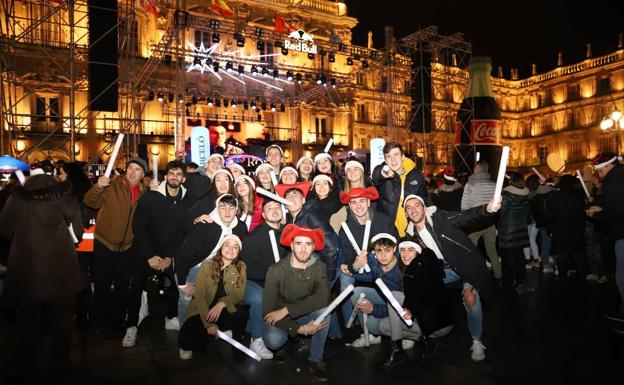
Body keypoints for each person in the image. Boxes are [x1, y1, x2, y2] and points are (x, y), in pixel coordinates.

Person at [0, 174, 84, 378]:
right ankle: (61, 363)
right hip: (60, 270)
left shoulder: (16, 199)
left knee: (29, 321)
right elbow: (79, 232)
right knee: (61, 322)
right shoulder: (65, 197)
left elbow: (4, 231)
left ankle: (28, 364)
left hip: (27, 270)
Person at [403, 194, 501, 362]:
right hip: (443, 271)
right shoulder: (412, 237)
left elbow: (466, 216)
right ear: (406, 214)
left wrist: (487, 209)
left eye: (417, 205)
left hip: (465, 266)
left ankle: (476, 341)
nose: (413, 210)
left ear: (424, 207)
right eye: (409, 208)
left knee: (470, 298)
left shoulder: (442, 218)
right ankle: (414, 332)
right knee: (419, 287)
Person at [83, 157, 148, 345]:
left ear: (143, 175)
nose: (132, 172)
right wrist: (98, 186)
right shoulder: (112, 185)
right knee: (102, 285)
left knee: (122, 286)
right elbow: (90, 202)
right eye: (130, 168)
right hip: (105, 242)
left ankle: (117, 321)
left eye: (137, 169)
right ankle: (98, 320)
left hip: (127, 247)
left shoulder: (145, 193)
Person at [131, 161, 196, 338]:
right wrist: (150, 255)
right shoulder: (150, 197)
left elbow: (184, 232)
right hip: (147, 252)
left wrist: (169, 257)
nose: (175, 177)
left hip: (171, 254)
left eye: (179, 174)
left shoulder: (188, 200)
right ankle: (131, 325)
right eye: (171, 173)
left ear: (183, 178)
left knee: (176, 286)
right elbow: (139, 227)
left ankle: (172, 318)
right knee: (136, 286)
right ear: (166, 176)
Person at [262, 224, 330, 381]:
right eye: (299, 243)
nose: (303, 249)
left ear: (313, 248)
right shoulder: (276, 270)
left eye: (308, 244)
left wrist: (287, 310)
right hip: (279, 318)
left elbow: (323, 297)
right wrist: (300, 329)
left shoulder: (319, 267)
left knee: (325, 312)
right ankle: (285, 342)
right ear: (291, 246)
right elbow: (267, 311)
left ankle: (315, 359)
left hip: (298, 312)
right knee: (273, 341)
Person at [175, 194, 248, 321]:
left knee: (220, 296)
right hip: (195, 266)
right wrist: (182, 283)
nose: (227, 211)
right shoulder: (206, 224)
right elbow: (184, 253)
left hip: (219, 267)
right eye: (223, 207)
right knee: (186, 296)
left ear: (236, 210)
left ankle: (219, 325)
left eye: (231, 207)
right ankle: (183, 326)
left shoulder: (240, 227)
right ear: (217, 208)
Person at [177, 235, 247, 360]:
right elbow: (199, 296)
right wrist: (208, 324)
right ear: (220, 248)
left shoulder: (241, 267)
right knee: (187, 342)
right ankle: (207, 333)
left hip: (224, 310)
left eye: (235, 247)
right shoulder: (207, 265)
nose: (231, 249)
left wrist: (221, 304)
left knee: (240, 313)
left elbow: (239, 294)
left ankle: (236, 342)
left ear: (238, 252)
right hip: (203, 310)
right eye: (227, 245)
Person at [338, 187, 397, 327]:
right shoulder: (345, 229)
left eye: (362, 201)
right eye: (354, 202)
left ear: (369, 202)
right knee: (346, 282)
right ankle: (361, 327)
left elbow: (396, 245)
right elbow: (348, 260)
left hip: (386, 267)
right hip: (362, 271)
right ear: (349, 206)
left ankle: (389, 319)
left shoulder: (384, 220)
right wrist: (355, 266)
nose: (358, 206)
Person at [379, 241, 453, 354]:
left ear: (418, 252)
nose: (405, 254)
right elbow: (416, 293)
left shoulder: (417, 268)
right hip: (436, 322)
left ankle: (398, 351)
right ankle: (427, 340)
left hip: (438, 323)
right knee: (384, 326)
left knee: (393, 298)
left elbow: (422, 293)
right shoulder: (415, 267)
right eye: (402, 250)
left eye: (410, 250)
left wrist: (410, 309)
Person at [347, 233, 407, 368]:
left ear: (395, 249)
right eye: (379, 251)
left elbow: (403, 306)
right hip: (384, 299)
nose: (383, 255)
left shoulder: (402, 269)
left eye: (388, 250)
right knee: (356, 292)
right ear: (374, 251)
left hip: (400, 309)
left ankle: (406, 337)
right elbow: (366, 277)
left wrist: (374, 310)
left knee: (377, 325)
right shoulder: (375, 261)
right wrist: (354, 268)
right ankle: (370, 335)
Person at [240, 199, 288, 359]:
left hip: (281, 294)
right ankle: (256, 339)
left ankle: (251, 322)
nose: (274, 210)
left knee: (277, 340)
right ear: (263, 213)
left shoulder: (288, 234)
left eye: (277, 207)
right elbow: (245, 271)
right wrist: (271, 274)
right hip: (254, 286)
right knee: (259, 298)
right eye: (269, 207)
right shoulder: (253, 238)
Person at [587, 152, 624, 319]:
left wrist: (596, 215)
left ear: (609, 166)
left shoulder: (614, 180)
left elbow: (616, 210)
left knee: (622, 276)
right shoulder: (619, 176)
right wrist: (600, 207)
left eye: (600, 170)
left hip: (621, 233)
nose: (598, 174)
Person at [371, 142, 428, 237]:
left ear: (403, 157)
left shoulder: (416, 175)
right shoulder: (383, 176)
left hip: (412, 232)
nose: (393, 160)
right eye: (388, 156)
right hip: (388, 231)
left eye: (396, 155)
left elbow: (425, 200)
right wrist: (382, 173)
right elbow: (376, 176)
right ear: (385, 160)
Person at [460, 161, 501, 280]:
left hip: (474, 223)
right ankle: (498, 275)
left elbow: (464, 206)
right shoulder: (494, 185)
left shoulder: (470, 185)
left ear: (476, 169)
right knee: (492, 251)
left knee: (471, 251)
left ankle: (472, 276)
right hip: (490, 223)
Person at [497, 172, 531, 292]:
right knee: (519, 256)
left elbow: (502, 213)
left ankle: (509, 281)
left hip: (508, 230)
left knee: (508, 257)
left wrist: (498, 226)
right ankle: (522, 280)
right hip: (520, 229)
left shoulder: (506, 194)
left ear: (511, 181)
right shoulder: (527, 194)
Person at [548, 174, 586, 279]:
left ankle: (562, 279)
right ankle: (581, 280)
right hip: (576, 230)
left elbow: (550, 215)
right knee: (578, 256)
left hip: (560, 230)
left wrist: (551, 229)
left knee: (561, 257)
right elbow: (582, 215)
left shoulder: (555, 196)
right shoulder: (579, 196)